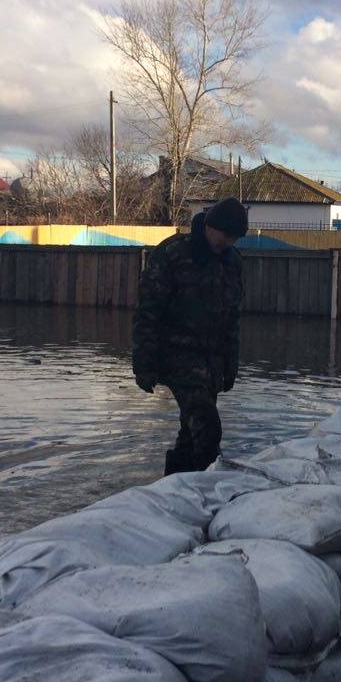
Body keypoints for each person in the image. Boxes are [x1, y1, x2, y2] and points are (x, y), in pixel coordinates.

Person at [132, 197, 247, 475]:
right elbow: (148, 312)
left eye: (234, 238)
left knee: (189, 435)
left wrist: (230, 366)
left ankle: (172, 491)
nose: (228, 242)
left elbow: (231, 319)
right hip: (177, 357)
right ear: (210, 226)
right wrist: (144, 365)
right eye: (225, 235)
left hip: (211, 362)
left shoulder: (232, 263)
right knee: (208, 430)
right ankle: (208, 494)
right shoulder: (173, 254)